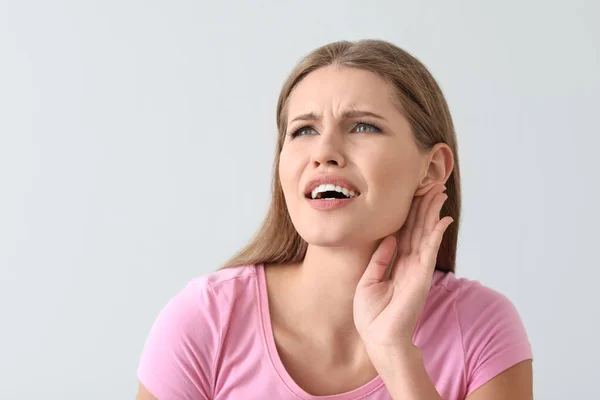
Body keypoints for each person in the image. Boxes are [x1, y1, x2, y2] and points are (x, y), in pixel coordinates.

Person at [135, 39, 533, 400]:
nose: (324, 151)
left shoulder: (482, 328)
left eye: (363, 126)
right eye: (303, 130)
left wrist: (396, 354)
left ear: (430, 169)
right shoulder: (205, 320)